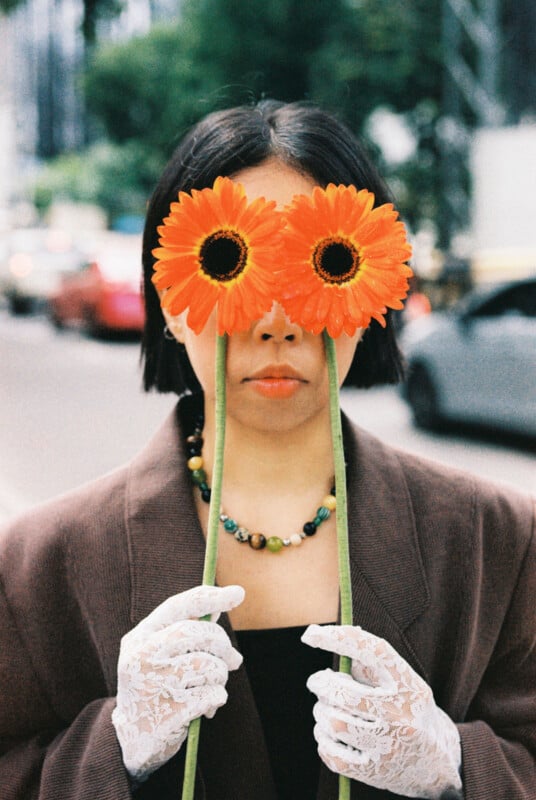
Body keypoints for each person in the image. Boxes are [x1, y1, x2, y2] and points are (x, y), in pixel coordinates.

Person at [0, 100, 534, 800]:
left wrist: (456, 767)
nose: (277, 322)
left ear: (373, 294)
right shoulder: (37, 566)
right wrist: (113, 748)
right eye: (230, 262)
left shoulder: (499, 541)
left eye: (324, 264)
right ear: (170, 300)